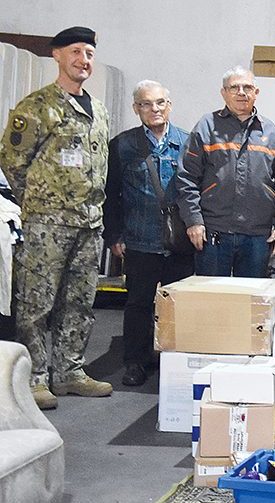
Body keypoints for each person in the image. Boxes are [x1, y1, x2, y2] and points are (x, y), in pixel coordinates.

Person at [0, 26, 112, 409]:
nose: (84, 60)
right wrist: (40, 203)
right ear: (58, 55)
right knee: (36, 303)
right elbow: (13, 162)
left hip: (89, 225)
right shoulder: (37, 107)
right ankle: (33, 379)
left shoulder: (99, 111)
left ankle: (69, 372)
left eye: (89, 54)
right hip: (46, 225)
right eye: (76, 52)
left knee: (79, 302)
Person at [104, 80, 193, 388]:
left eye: (160, 103)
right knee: (138, 304)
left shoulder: (187, 142)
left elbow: (197, 190)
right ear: (136, 108)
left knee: (177, 305)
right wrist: (114, 235)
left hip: (179, 242)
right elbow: (111, 194)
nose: (154, 109)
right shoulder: (122, 145)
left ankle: (174, 361)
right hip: (139, 239)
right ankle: (135, 362)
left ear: (169, 106)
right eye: (146, 104)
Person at [177, 67, 275, 277]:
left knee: (250, 296)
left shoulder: (271, 132)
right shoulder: (206, 127)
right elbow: (186, 177)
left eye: (247, 87)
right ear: (224, 93)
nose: (241, 92)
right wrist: (193, 221)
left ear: (256, 93)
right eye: (234, 87)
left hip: (258, 235)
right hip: (213, 231)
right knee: (211, 294)